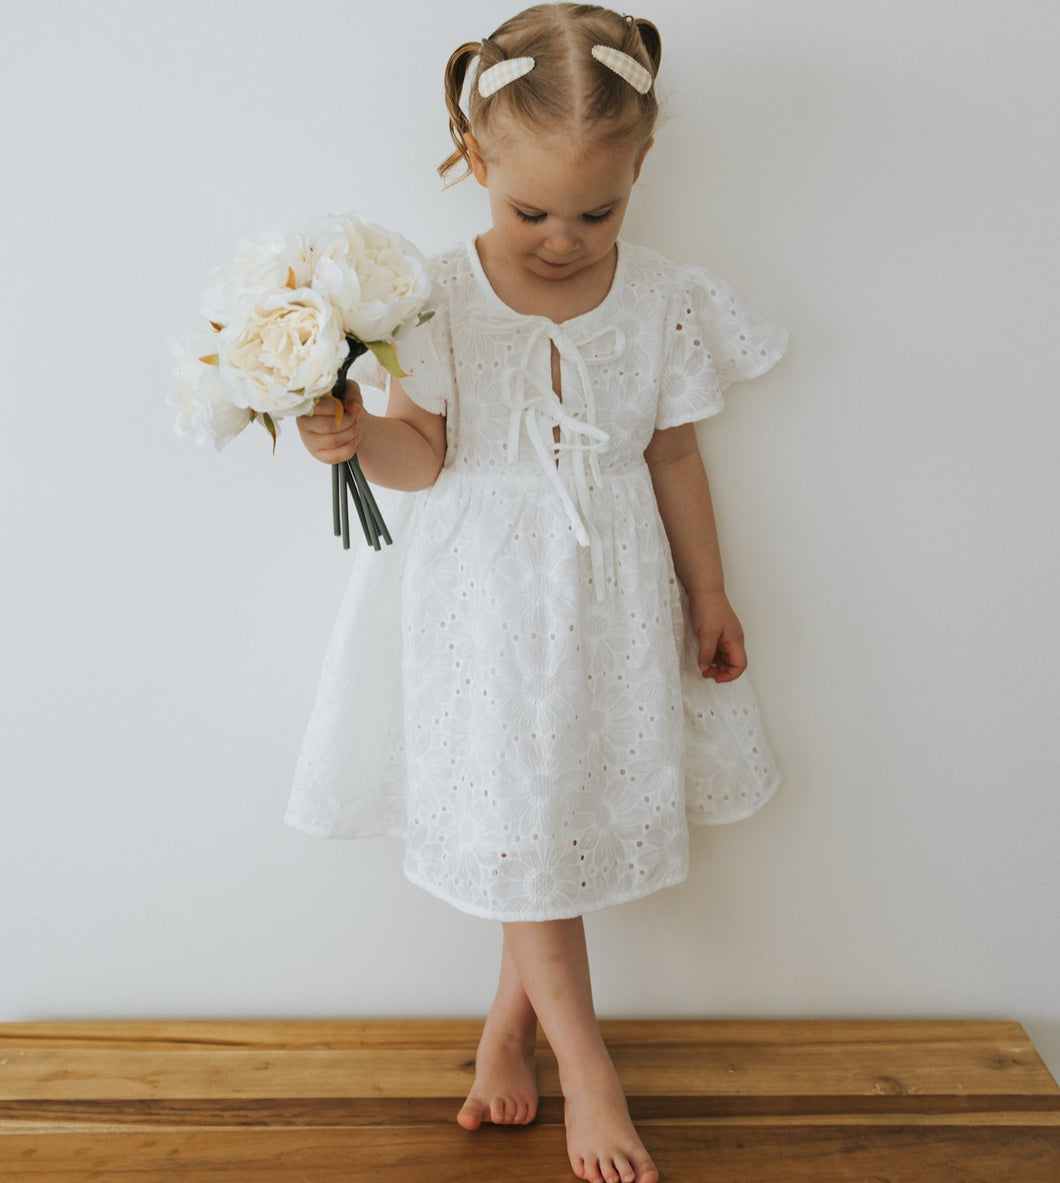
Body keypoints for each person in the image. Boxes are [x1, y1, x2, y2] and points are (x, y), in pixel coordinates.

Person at [287, 6, 788, 1182]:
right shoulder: (436, 298)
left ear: (641, 170)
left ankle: (505, 1029)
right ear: (474, 160)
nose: (562, 240)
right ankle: (585, 1060)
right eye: (530, 212)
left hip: (609, 603)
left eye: (595, 212)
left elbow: (671, 455)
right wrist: (355, 437)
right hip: (483, 602)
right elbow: (429, 456)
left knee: (549, 819)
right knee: (520, 813)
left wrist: (708, 595)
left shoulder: (662, 297)